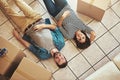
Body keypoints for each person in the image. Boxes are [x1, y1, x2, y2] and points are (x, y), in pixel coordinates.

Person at [0, 0, 67, 68]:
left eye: (58, 60)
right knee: (19, 2)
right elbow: (55, 28)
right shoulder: (61, 43)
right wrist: (43, 26)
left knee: (8, 11)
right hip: (37, 18)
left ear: (55, 62)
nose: (59, 57)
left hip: (25, 26)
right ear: (64, 56)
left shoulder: (43, 56)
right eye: (62, 58)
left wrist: (18, 37)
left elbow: (29, 46)